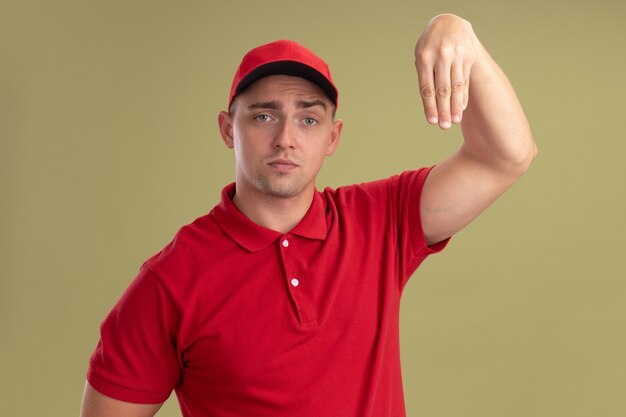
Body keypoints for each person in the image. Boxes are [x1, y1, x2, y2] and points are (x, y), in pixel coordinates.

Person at [80, 13, 536, 417]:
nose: (285, 138)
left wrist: (462, 37)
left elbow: (505, 156)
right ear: (227, 129)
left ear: (333, 137)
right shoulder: (171, 281)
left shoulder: (381, 221)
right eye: (263, 116)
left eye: (309, 119)